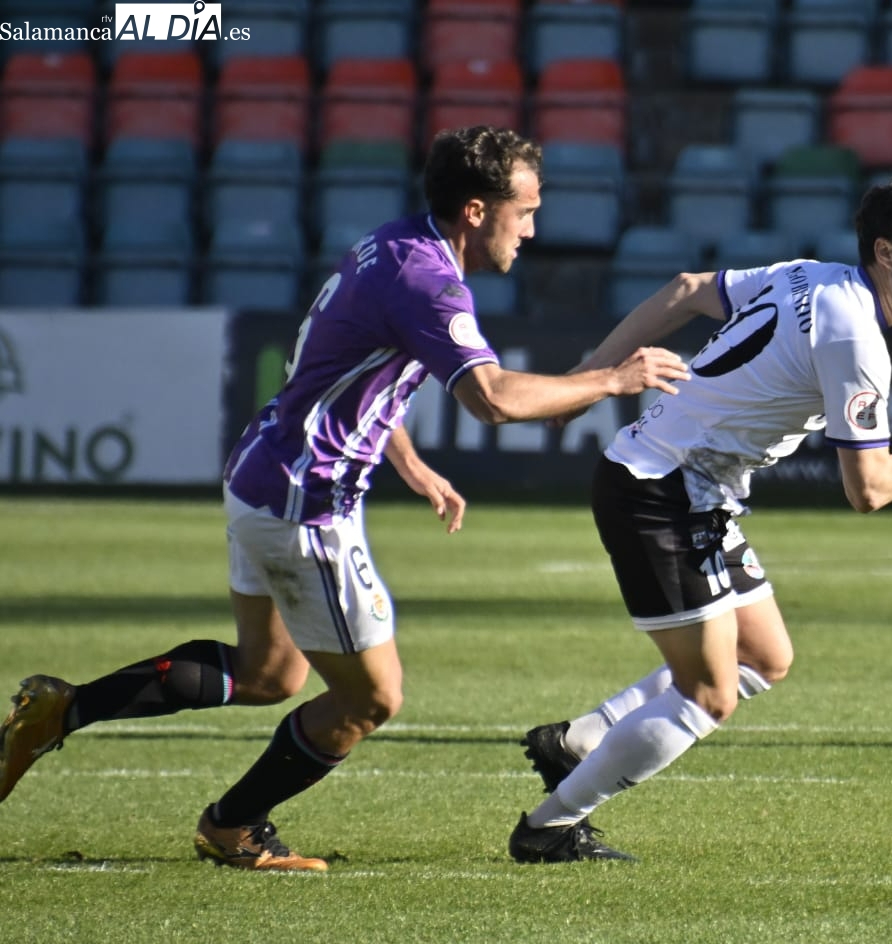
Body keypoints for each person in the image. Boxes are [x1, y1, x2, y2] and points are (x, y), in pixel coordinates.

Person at [0, 126, 689, 870]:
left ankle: (62, 708)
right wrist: (613, 379)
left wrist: (410, 462)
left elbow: (343, 370)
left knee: (268, 673)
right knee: (371, 699)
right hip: (307, 505)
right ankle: (234, 825)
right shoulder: (430, 283)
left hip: (262, 473)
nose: (531, 229)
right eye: (523, 211)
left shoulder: (390, 245)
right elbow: (492, 398)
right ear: (476, 210)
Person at [506, 170, 892, 863]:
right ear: (886, 252)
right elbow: (869, 489)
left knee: (765, 656)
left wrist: (589, 376)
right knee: (709, 695)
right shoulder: (855, 339)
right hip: (662, 494)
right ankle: (550, 827)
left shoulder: (809, 275)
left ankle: (578, 740)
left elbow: (685, 288)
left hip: (684, 489)